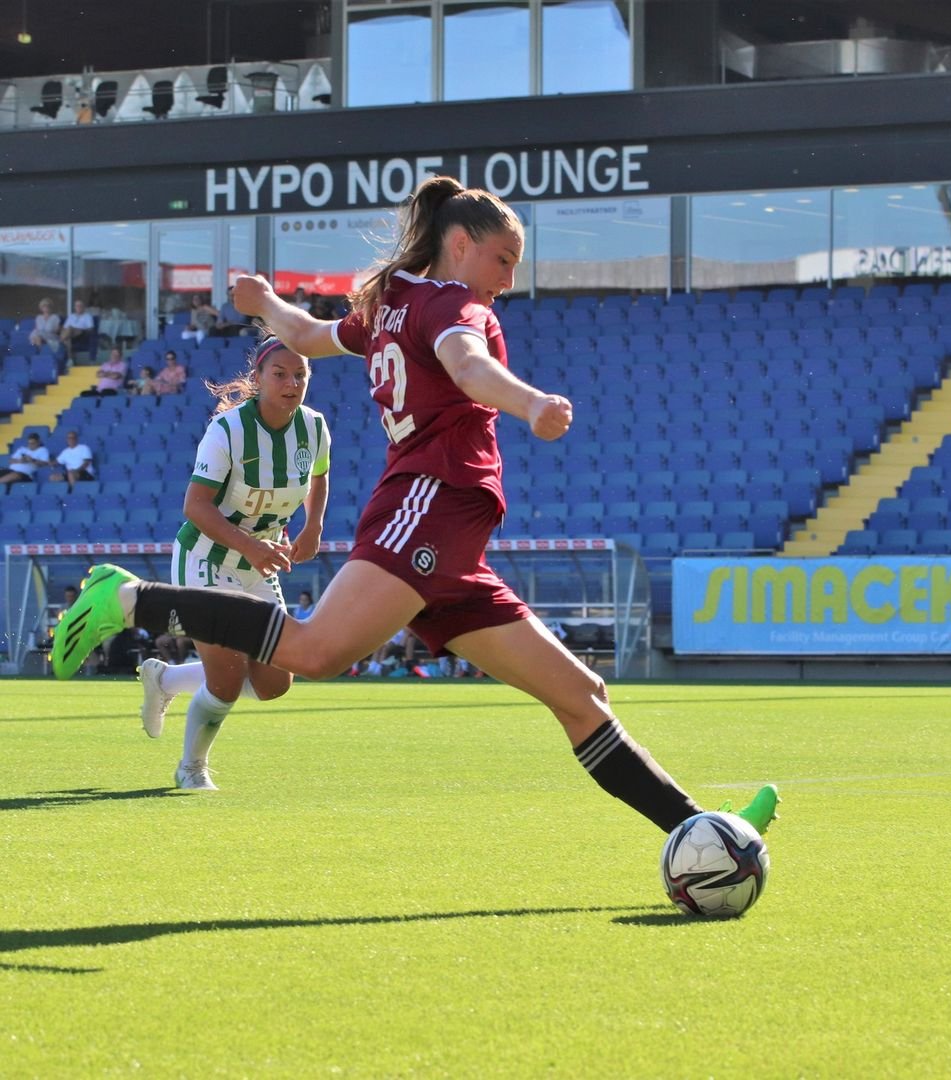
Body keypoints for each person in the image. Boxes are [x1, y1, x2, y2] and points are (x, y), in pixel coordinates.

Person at [52, 176, 779, 836]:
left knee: (581, 693)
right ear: (460, 246)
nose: (509, 279)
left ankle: (700, 832)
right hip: (428, 503)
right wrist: (532, 404)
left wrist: (266, 301)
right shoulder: (453, 305)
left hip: (457, 546)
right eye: (503, 259)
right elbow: (468, 364)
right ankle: (133, 599)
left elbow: (304, 335)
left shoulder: (391, 304)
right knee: (315, 652)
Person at [133, 336, 331, 789]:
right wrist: (251, 545)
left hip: (257, 560)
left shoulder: (315, 427)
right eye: (280, 374)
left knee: (274, 683)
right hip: (206, 556)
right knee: (225, 682)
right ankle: (191, 768)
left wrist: (313, 527)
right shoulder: (227, 430)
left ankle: (165, 681)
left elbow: (319, 476)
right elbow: (195, 506)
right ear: (258, 379)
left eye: (300, 374)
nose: (292, 382)